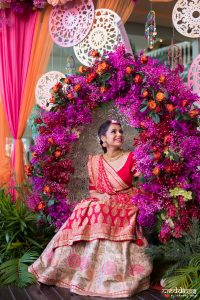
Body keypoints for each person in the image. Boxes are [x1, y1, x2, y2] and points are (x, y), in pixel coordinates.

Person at [28, 120, 152, 298]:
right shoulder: (94, 161)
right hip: (102, 201)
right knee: (84, 206)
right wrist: (101, 197)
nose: (119, 135)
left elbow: (143, 184)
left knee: (100, 209)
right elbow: (94, 190)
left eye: (120, 131)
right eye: (113, 132)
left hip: (127, 201)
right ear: (103, 138)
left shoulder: (131, 157)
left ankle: (107, 274)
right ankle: (70, 267)